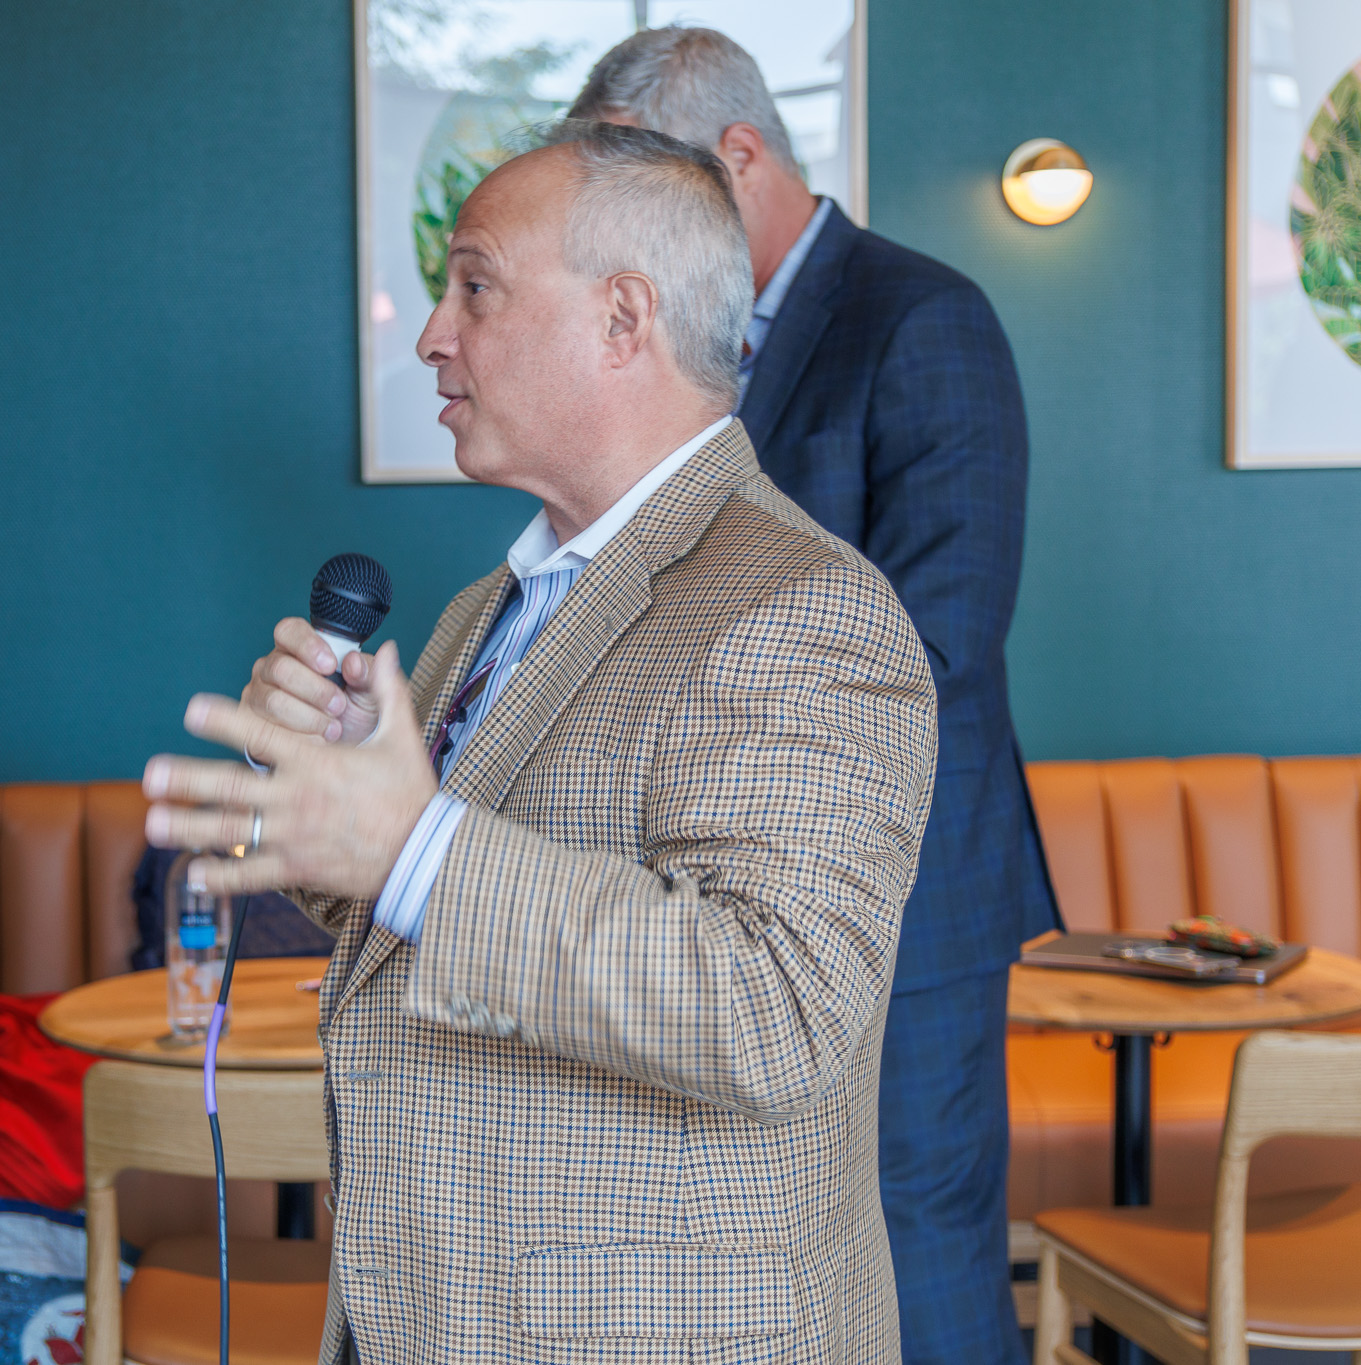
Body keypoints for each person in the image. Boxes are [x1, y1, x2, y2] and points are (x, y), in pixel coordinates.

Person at [142, 121, 937, 1363]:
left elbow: (777, 1010)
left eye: (474, 285)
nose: (431, 334)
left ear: (623, 319)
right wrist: (338, 796)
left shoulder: (802, 606)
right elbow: (404, 911)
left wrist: (413, 842)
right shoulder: (486, 609)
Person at [568, 27, 1060, 1365]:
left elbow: (940, 638)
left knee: (917, 1235)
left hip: (906, 894)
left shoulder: (923, 317)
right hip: (714, 900)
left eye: (653, 191)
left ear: (742, 156)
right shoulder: (684, 342)